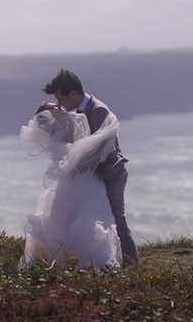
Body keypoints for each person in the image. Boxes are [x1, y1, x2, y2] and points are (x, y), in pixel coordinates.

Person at [42, 69, 140, 265]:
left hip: (111, 173)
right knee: (97, 218)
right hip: (94, 174)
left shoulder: (98, 110)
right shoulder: (78, 112)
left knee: (116, 217)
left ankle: (132, 261)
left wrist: (75, 167)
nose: (61, 105)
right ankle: (108, 257)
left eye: (62, 100)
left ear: (73, 94)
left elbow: (101, 149)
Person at [18, 103, 122, 268]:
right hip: (78, 181)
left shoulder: (70, 123)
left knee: (78, 218)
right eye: (56, 108)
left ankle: (78, 259)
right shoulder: (58, 132)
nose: (61, 108)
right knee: (74, 220)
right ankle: (80, 260)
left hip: (80, 180)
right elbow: (71, 155)